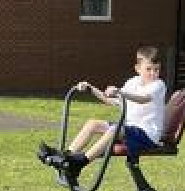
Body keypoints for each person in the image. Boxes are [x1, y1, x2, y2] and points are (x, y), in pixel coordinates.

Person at [38, 46, 166, 178]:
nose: (153, 73)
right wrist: (90, 88)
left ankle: (78, 164)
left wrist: (120, 92)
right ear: (138, 69)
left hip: (147, 134)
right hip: (129, 129)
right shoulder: (132, 83)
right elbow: (110, 100)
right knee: (92, 124)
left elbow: (143, 99)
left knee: (113, 130)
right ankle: (65, 157)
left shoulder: (158, 85)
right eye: (149, 69)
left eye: (156, 69)